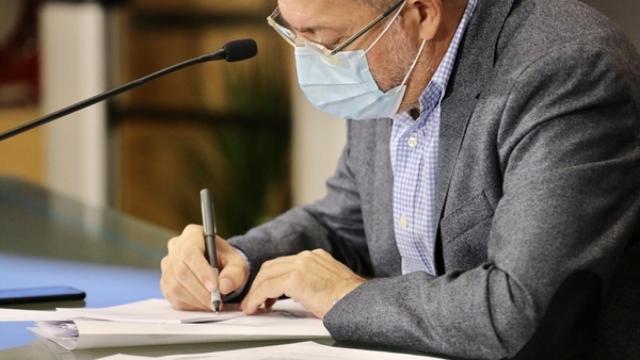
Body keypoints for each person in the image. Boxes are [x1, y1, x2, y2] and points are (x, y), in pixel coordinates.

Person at [160, 0, 640, 358]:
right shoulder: (387, 67)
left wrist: (348, 296)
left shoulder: (565, 68)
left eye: (326, 42)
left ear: (421, 14)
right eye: (293, 33)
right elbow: (347, 223)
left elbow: (521, 311)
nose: (311, 59)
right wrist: (236, 262)